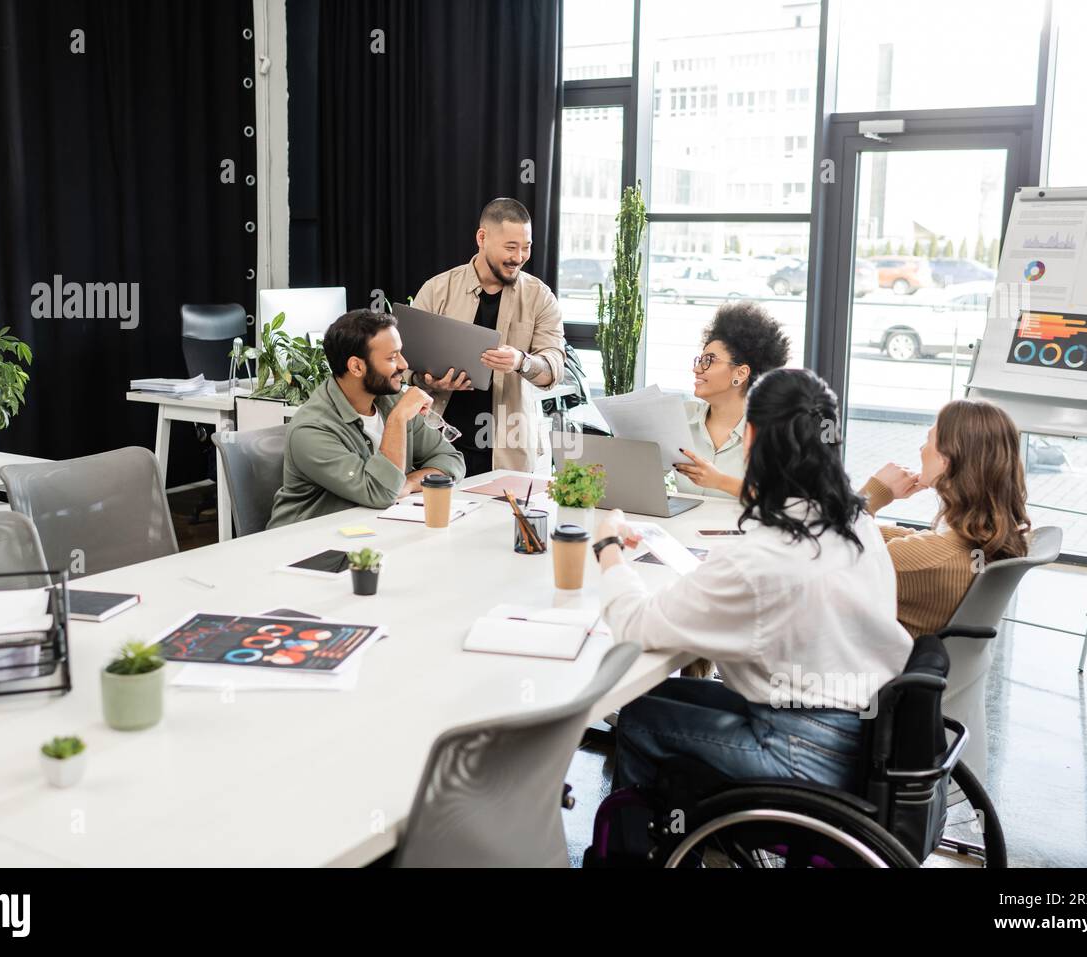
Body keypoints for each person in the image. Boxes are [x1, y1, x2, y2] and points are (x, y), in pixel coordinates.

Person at [594, 368, 912, 793]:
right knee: (654, 700)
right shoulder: (856, 521)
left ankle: (641, 848)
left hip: (799, 750)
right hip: (872, 734)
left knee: (640, 718)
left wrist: (608, 547)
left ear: (750, 439)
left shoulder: (760, 557)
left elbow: (636, 628)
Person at [411, 197, 566, 476]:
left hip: (510, 452)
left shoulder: (539, 297)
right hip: (438, 446)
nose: (519, 257)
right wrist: (427, 380)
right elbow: (404, 366)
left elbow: (553, 370)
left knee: (506, 521)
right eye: (510, 247)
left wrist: (522, 361)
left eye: (526, 247)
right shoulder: (437, 290)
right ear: (482, 238)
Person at [267, 309, 465, 527]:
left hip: (368, 533)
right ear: (357, 366)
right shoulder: (311, 429)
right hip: (306, 546)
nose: (404, 365)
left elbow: (451, 461)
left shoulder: (391, 400)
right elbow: (382, 493)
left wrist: (408, 484)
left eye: (400, 353)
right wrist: (397, 420)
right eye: (392, 357)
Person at [860, 398, 1031, 639]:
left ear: (945, 460)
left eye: (928, 441)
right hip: (939, 663)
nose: (921, 449)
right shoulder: (992, 536)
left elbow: (833, 549)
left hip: (882, 666)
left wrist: (872, 495)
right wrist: (873, 527)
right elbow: (929, 545)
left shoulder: (921, 559)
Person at [673, 301, 790, 499]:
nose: (697, 369)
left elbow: (784, 500)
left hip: (747, 530)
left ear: (741, 373)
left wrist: (719, 481)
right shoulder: (680, 417)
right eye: (699, 360)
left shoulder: (773, 431)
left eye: (708, 361)